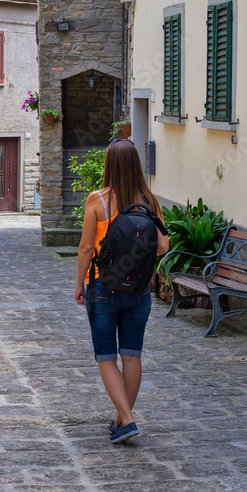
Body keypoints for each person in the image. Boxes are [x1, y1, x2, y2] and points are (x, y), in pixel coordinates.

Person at [74, 138, 168, 444]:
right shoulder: (150, 201)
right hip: (138, 289)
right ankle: (121, 419)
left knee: (105, 357)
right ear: (137, 165)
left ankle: (126, 419)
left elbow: (87, 247)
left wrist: (79, 284)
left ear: (109, 165)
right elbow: (164, 246)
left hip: (104, 286)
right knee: (131, 356)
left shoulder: (97, 200)